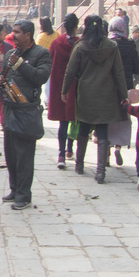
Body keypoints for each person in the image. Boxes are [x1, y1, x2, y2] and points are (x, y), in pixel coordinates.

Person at [62, 14, 127, 184]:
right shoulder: (112, 46)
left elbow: (70, 70)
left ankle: (79, 164)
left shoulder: (81, 46)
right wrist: (123, 95)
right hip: (107, 94)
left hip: (86, 93)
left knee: (83, 127)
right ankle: (100, 172)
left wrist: (64, 90)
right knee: (103, 129)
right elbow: (119, 73)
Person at [0, 20, 51, 210]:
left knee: (24, 155)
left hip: (27, 111)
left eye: (18, 32)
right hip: (11, 109)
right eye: (13, 32)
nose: (14, 36)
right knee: (11, 154)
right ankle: (15, 189)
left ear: (28, 34)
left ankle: (24, 194)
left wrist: (20, 65)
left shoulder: (41, 54)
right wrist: (0, 80)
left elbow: (40, 77)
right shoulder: (11, 53)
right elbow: (2, 76)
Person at [107, 17, 139, 167]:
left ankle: (106, 151)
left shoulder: (107, 45)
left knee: (107, 119)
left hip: (108, 87)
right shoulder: (130, 45)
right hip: (125, 88)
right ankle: (118, 147)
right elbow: (138, 68)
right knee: (123, 117)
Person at [48, 13, 80, 169]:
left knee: (63, 121)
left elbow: (49, 61)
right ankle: (70, 148)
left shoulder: (56, 43)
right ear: (76, 27)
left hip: (60, 87)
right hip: (76, 86)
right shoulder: (80, 44)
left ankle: (60, 154)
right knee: (74, 119)